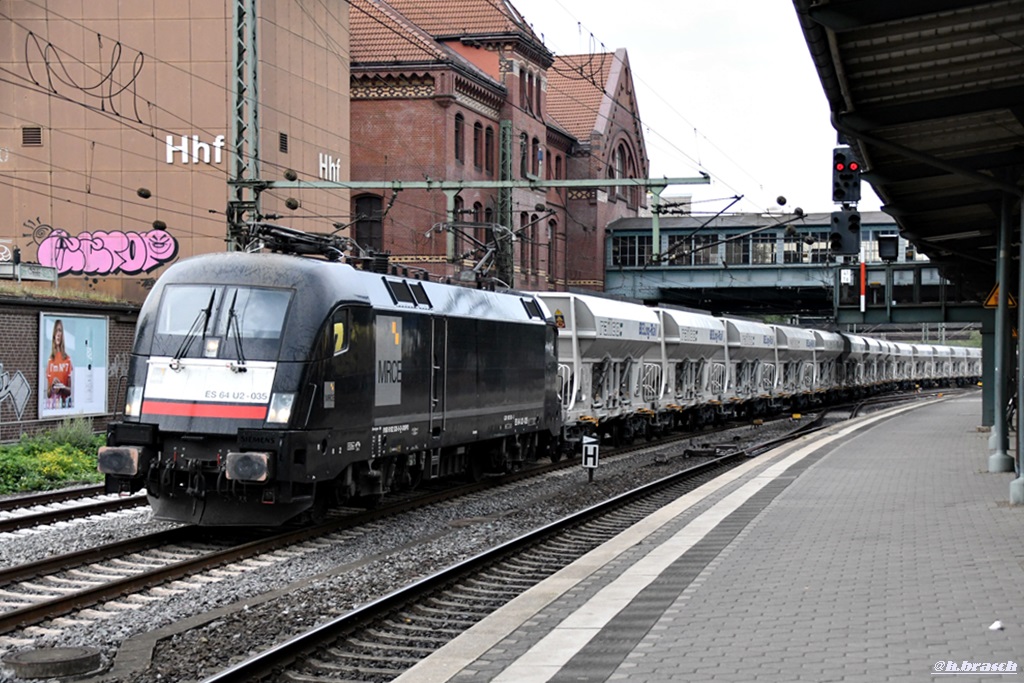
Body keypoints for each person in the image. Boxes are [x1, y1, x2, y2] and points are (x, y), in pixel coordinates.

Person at [46, 319, 73, 409]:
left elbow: (70, 391)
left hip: (64, 405)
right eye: (56, 331)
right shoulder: (50, 361)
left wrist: (61, 387)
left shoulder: (67, 360)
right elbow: (48, 393)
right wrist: (53, 385)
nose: (58, 334)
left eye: (60, 330)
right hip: (52, 406)